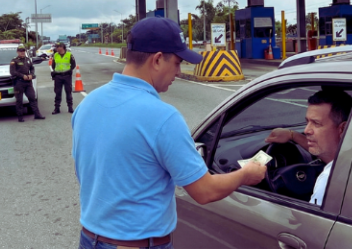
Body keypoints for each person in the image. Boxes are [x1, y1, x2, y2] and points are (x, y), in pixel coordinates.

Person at [72, 17, 266, 248]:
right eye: (177, 62)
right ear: (156, 60)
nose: (179, 70)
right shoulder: (162, 117)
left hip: (89, 239)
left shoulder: (88, 103)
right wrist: (246, 174)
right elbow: (205, 191)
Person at [264, 88, 352, 206]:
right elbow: (327, 150)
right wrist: (292, 135)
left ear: (342, 129)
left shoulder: (329, 181)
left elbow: (312, 223)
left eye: (316, 123)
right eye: (307, 122)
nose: (306, 130)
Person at [10, 45, 44, 122]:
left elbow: (32, 68)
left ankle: (37, 115)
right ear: (17, 52)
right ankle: (20, 117)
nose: (22, 52)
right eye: (20, 51)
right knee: (19, 100)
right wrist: (22, 76)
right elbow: (12, 72)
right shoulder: (14, 61)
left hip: (28, 83)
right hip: (18, 83)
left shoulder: (28, 59)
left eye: (23, 51)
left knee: (32, 98)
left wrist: (31, 74)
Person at [50, 42, 76, 114]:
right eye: (56, 47)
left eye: (58, 47)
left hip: (67, 76)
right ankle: (57, 108)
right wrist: (56, 71)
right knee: (58, 93)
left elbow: (73, 64)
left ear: (62, 47)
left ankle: (70, 108)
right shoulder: (55, 55)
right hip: (58, 76)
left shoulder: (69, 54)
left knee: (68, 92)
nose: (57, 48)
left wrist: (69, 70)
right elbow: (53, 65)